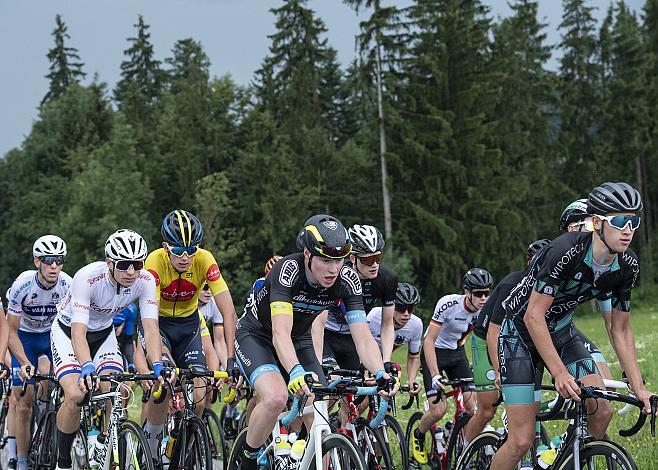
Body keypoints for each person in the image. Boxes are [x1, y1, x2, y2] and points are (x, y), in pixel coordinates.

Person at [491, 182, 655, 469]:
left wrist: (639, 388)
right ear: (596, 223)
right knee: (521, 439)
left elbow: (621, 329)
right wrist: (559, 372)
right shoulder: (565, 251)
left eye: (633, 221)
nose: (628, 229)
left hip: (561, 332)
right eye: (619, 220)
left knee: (602, 413)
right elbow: (532, 317)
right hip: (519, 335)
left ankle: (567, 457)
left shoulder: (627, 265)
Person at [234, 214, 394, 470]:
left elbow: (363, 337)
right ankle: (246, 458)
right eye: (325, 260)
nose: (333, 268)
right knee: (276, 398)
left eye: (339, 260)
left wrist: (380, 373)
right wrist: (295, 371)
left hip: (299, 339)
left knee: (319, 406)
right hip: (258, 335)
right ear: (308, 254)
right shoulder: (288, 271)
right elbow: (280, 334)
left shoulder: (347, 280)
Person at [52, 229, 169, 470]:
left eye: (137, 264)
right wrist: (86, 366)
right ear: (109, 263)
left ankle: (106, 442)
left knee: (119, 390)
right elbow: (78, 331)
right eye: (124, 264)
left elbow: (150, 326)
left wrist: (157, 363)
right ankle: (62, 461)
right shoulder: (87, 277)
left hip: (103, 334)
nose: (131, 272)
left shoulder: (145, 280)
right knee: (75, 395)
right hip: (68, 332)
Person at [141, 209, 239, 457]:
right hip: (159, 324)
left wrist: (231, 359)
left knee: (200, 394)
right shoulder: (154, 261)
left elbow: (228, 312)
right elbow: (150, 319)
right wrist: (159, 357)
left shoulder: (205, 259)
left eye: (191, 250)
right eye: (178, 251)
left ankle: (184, 449)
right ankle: (151, 449)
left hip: (188, 326)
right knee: (165, 382)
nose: (185, 257)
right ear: (165, 247)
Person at [464, 239, 550, 445]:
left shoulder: (550, 287)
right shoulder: (513, 283)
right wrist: (499, 371)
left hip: (516, 342)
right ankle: (464, 453)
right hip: (486, 339)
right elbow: (493, 333)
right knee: (487, 409)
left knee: (530, 405)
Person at [411, 268, 493, 465]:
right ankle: (419, 434)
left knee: (472, 407)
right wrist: (435, 375)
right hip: (435, 352)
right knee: (438, 410)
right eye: (478, 294)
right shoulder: (448, 304)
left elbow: (487, 340)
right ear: (467, 292)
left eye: (486, 293)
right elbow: (429, 341)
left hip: (457, 354)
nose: (483, 298)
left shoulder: (486, 309)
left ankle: (452, 430)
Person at [6, 235, 71, 470]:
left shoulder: (67, 284)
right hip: (25, 338)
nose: (54, 266)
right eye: (48, 260)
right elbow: (10, 330)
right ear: (37, 262)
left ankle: (47, 417)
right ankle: (22, 461)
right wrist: (22, 361)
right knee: (23, 404)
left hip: (52, 335)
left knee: (53, 384)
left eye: (59, 260)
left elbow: (73, 326)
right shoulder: (23, 284)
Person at [316, 224, 397, 372]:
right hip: (327, 333)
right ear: (353, 258)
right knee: (332, 382)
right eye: (368, 260)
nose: (374, 265)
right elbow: (320, 321)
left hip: (351, 336)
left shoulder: (387, 278)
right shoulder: (338, 274)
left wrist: (385, 361)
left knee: (362, 385)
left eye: (378, 258)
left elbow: (387, 324)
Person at [560, 198, 615, 380]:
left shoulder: (600, 266)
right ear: (572, 228)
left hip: (563, 330)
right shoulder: (557, 258)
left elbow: (612, 324)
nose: (598, 230)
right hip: (530, 330)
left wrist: (627, 370)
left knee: (606, 385)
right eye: (592, 224)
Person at [367, 282, 423, 395]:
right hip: (365, 357)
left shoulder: (416, 324)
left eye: (411, 308)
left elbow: (414, 356)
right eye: (401, 308)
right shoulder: (373, 317)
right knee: (363, 402)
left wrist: (411, 381)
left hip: (384, 362)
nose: (406, 314)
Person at [113, 302, 138, 371]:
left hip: (122, 330)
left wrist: (131, 363)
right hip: (104, 327)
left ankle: (130, 365)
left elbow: (129, 339)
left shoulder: (131, 308)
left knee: (128, 339)